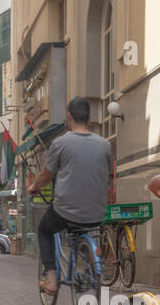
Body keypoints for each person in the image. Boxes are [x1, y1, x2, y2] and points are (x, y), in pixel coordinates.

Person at [28, 97, 116, 294]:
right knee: (83, 229)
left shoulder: (60, 143)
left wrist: (35, 188)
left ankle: (51, 279)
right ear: (89, 117)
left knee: (44, 230)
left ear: (69, 117)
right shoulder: (104, 145)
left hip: (65, 210)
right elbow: (108, 175)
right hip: (96, 212)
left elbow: (46, 175)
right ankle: (88, 265)